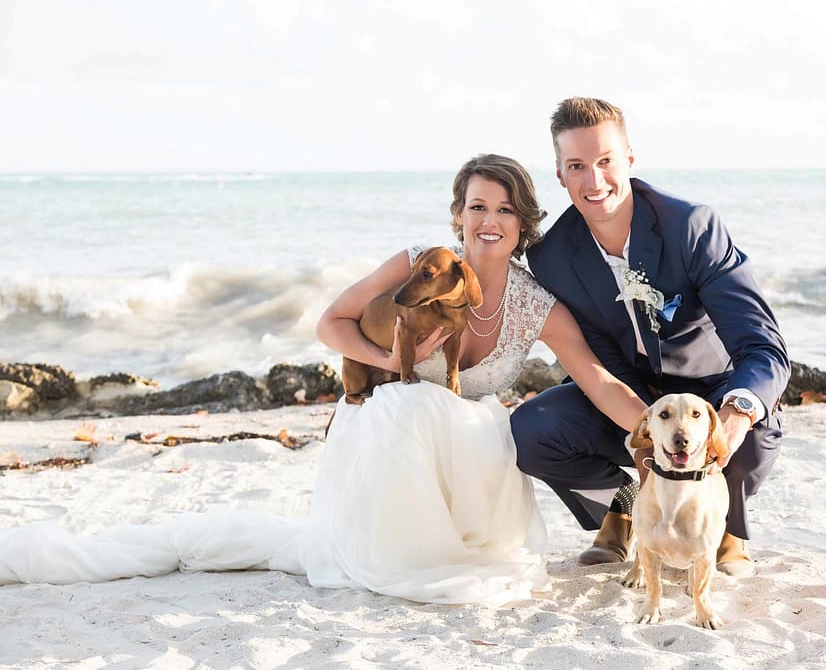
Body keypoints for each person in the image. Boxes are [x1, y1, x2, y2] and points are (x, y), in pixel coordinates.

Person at [0, 154, 646, 607]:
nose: (490, 220)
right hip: (389, 443)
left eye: (505, 209)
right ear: (457, 214)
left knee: (477, 419)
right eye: (477, 205)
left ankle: (466, 539)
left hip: (469, 470)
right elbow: (330, 323)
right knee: (411, 408)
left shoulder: (536, 304)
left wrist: (658, 433)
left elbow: (596, 380)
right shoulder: (413, 263)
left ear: (523, 222)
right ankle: (399, 549)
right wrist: (393, 362)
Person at [511, 98, 790, 576]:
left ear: (630, 160)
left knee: (754, 436)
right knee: (532, 430)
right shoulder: (553, 255)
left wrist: (733, 416)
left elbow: (763, 346)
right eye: (577, 166)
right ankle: (622, 508)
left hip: (709, 393)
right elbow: (598, 356)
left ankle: (727, 528)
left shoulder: (691, 227)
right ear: (560, 174)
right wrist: (644, 446)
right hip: (628, 399)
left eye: (605, 162)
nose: (593, 182)